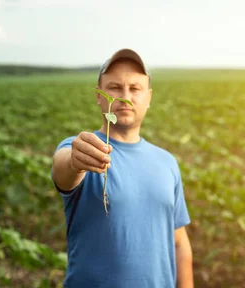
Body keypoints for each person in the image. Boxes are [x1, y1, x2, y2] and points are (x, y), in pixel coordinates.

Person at [50, 48, 194, 288]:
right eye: (114, 88)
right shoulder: (84, 148)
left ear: (148, 97)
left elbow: (179, 243)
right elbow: (63, 170)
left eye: (135, 88)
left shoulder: (166, 162)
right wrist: (76, 160)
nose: (125, 97)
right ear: (99, 96)